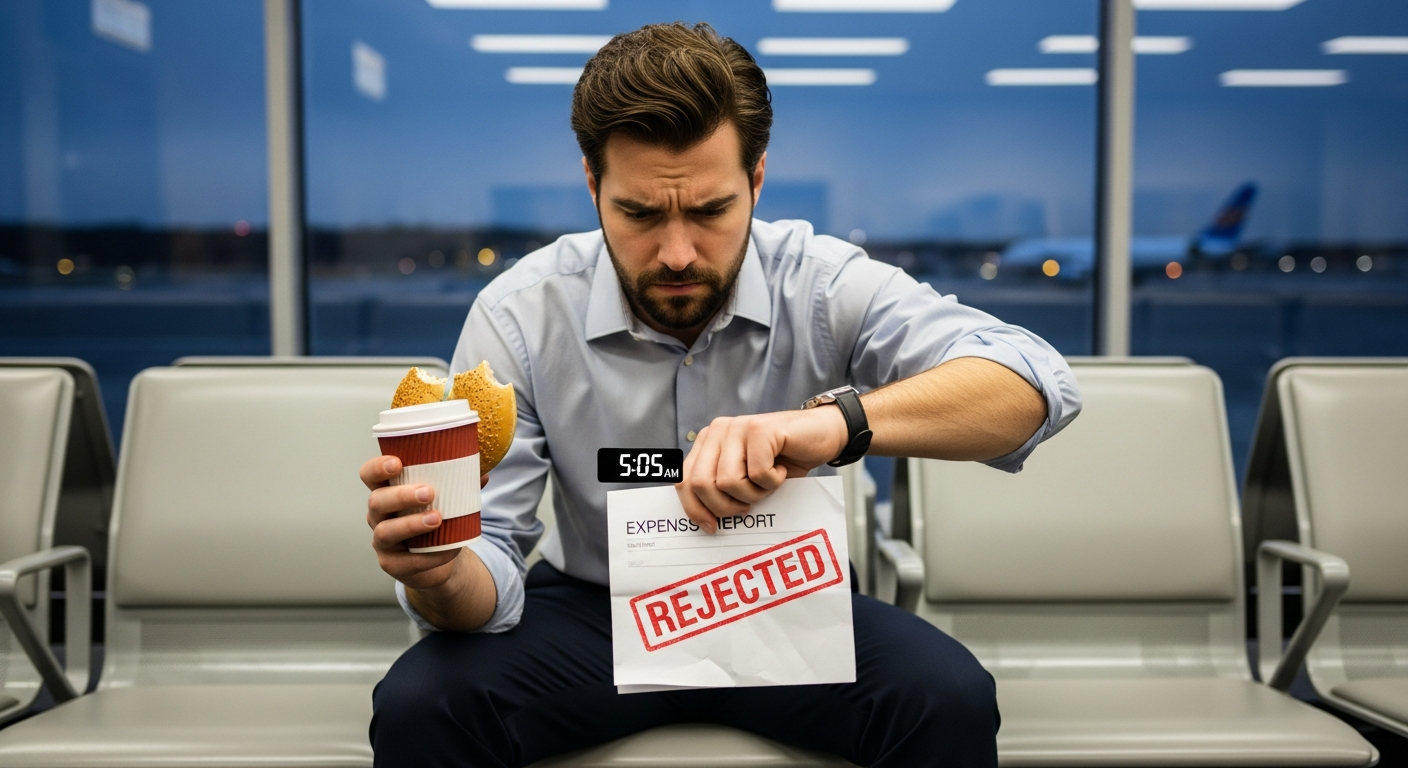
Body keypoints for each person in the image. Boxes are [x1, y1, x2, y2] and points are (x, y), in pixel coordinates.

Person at [362, 22, 1080, 768]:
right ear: (593, 185)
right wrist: (444, 576)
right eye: (639, 213)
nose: (677, 253)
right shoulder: (521, 313)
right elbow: (494, 559)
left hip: (785, 601)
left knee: (949, 697)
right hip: (598, 614)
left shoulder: (823, 284)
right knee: (422, 707)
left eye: (710, 210)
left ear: (757, 182)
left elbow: (1032, 381)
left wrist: (837, 425)